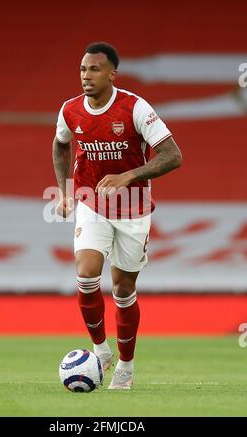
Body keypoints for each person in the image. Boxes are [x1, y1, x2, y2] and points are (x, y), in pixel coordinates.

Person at [52, 42, 182, 389]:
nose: (86, 76)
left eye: (94, 69)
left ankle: (126, 365)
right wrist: (65, 190)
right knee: (86, 274)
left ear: (112, 74)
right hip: (91, 202)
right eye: (82, 69)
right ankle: (101, 350)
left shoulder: (135, 108)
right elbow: (61, 142)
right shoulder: (70, 111)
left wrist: (130, 175)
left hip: (133, 209)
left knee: (123, 289)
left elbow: (173, 155)